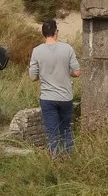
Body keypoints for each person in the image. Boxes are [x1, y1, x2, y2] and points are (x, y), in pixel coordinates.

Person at [28, 20, 82, 156]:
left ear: (43, 33)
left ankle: (55, 158)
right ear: (56, 32)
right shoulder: (67, 48)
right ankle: (70, 157)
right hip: (65, 96)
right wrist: (66, 71)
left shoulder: (37, 51)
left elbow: (33, 77)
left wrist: (45, 73)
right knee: (66, 129)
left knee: (52, 130)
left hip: (47, 97)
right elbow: (76, 72)